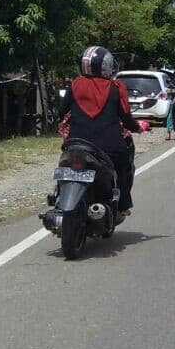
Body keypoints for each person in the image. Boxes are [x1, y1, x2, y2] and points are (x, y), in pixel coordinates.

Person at [59, 45, 141, 220]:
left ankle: (59, 197)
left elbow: (61, 112)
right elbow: (126, 118)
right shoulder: (116, 87)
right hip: (109, 147)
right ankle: (123, 204)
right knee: (123, 164)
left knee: (64, 165)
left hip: (76, 143)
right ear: (107, 66)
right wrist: (138, 126)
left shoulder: (75, 85)